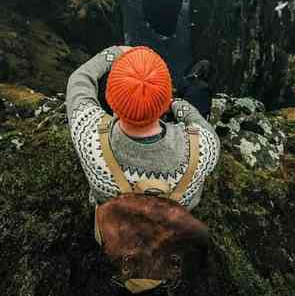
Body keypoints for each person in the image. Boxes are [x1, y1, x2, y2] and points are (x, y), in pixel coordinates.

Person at [65, 45, 221, 212]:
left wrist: (116, 52)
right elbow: (200, 123)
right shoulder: (204, 147)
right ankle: (190, 82)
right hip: (171, 225)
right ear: (164, 100)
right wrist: (175, 104)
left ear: (111, 101)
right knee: (198, 91)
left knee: (103, 78)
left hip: (116, 227)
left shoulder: (88, 137)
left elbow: (80, 79)